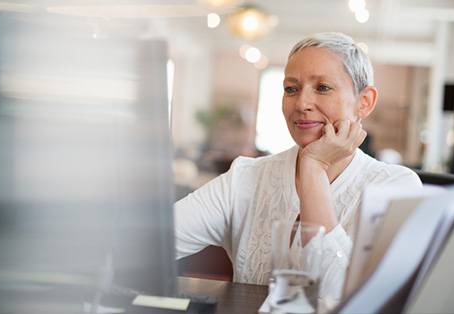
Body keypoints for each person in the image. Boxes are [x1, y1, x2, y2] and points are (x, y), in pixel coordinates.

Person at [174, 32, 421, 302]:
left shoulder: (397, 189)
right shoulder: (246, 176)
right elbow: (154, 239)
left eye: (323, 87)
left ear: (365, 101)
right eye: (291, 89)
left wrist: (313, 168)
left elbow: (340, 298)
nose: (302, 104)